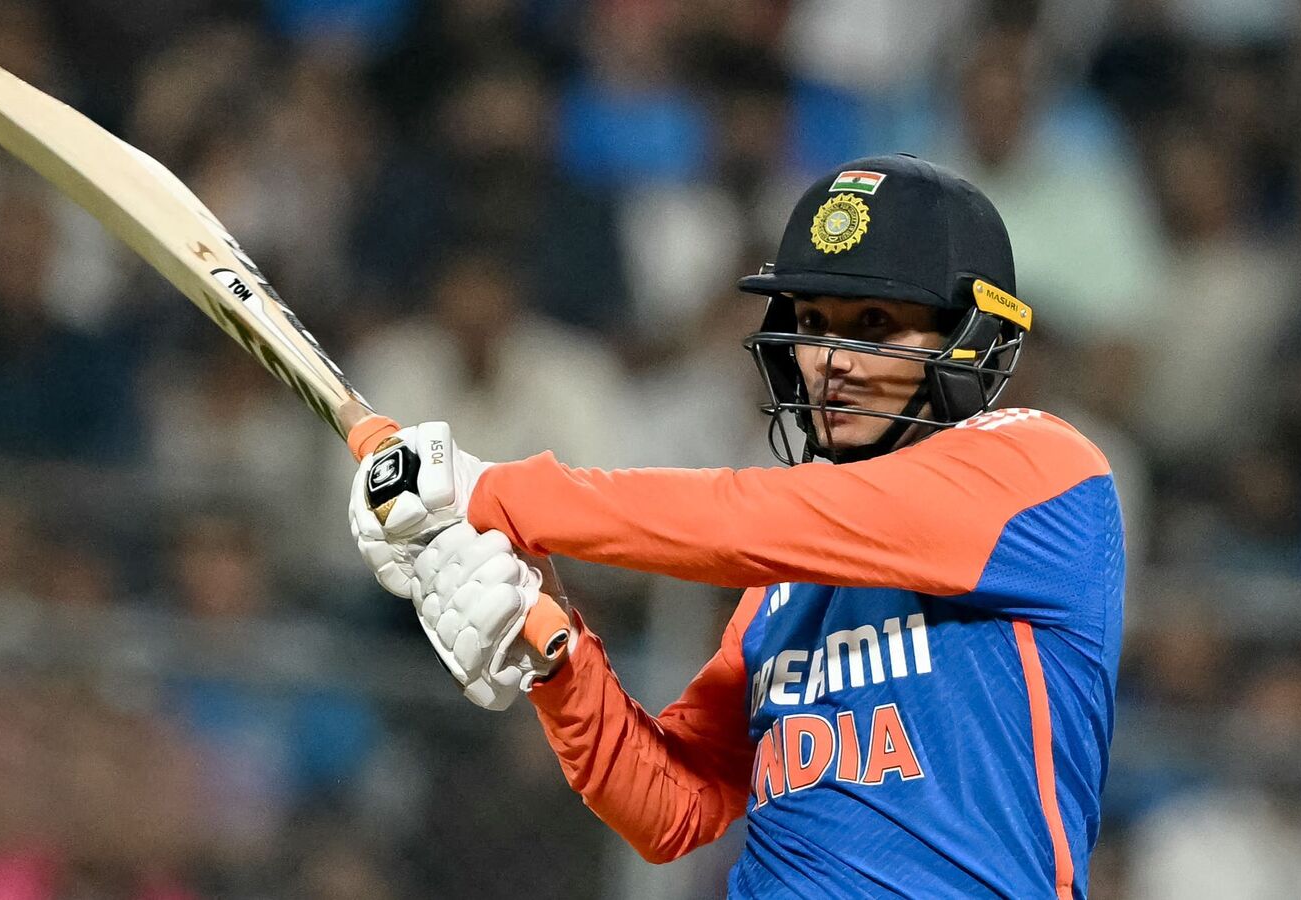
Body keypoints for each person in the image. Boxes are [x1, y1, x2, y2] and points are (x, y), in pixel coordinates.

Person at [348, 154, 1125, 898]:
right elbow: (675, 808)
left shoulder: (1043, 470)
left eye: (877, 322)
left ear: (975, 338)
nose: (831, 358)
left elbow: (745, 518)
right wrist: (555, 650)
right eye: (815, 320)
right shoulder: (783, 580)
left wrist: (492, 490)